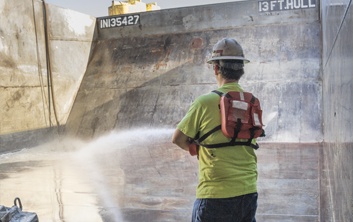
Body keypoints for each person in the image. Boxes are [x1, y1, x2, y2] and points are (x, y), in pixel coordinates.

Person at [172, 38, 258, 222]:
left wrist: (195, 147)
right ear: (241, 69)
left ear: (216, 68)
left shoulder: (205, 102)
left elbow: (178, 139)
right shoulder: (251, 102)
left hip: (215, 195)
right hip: (248, 192)